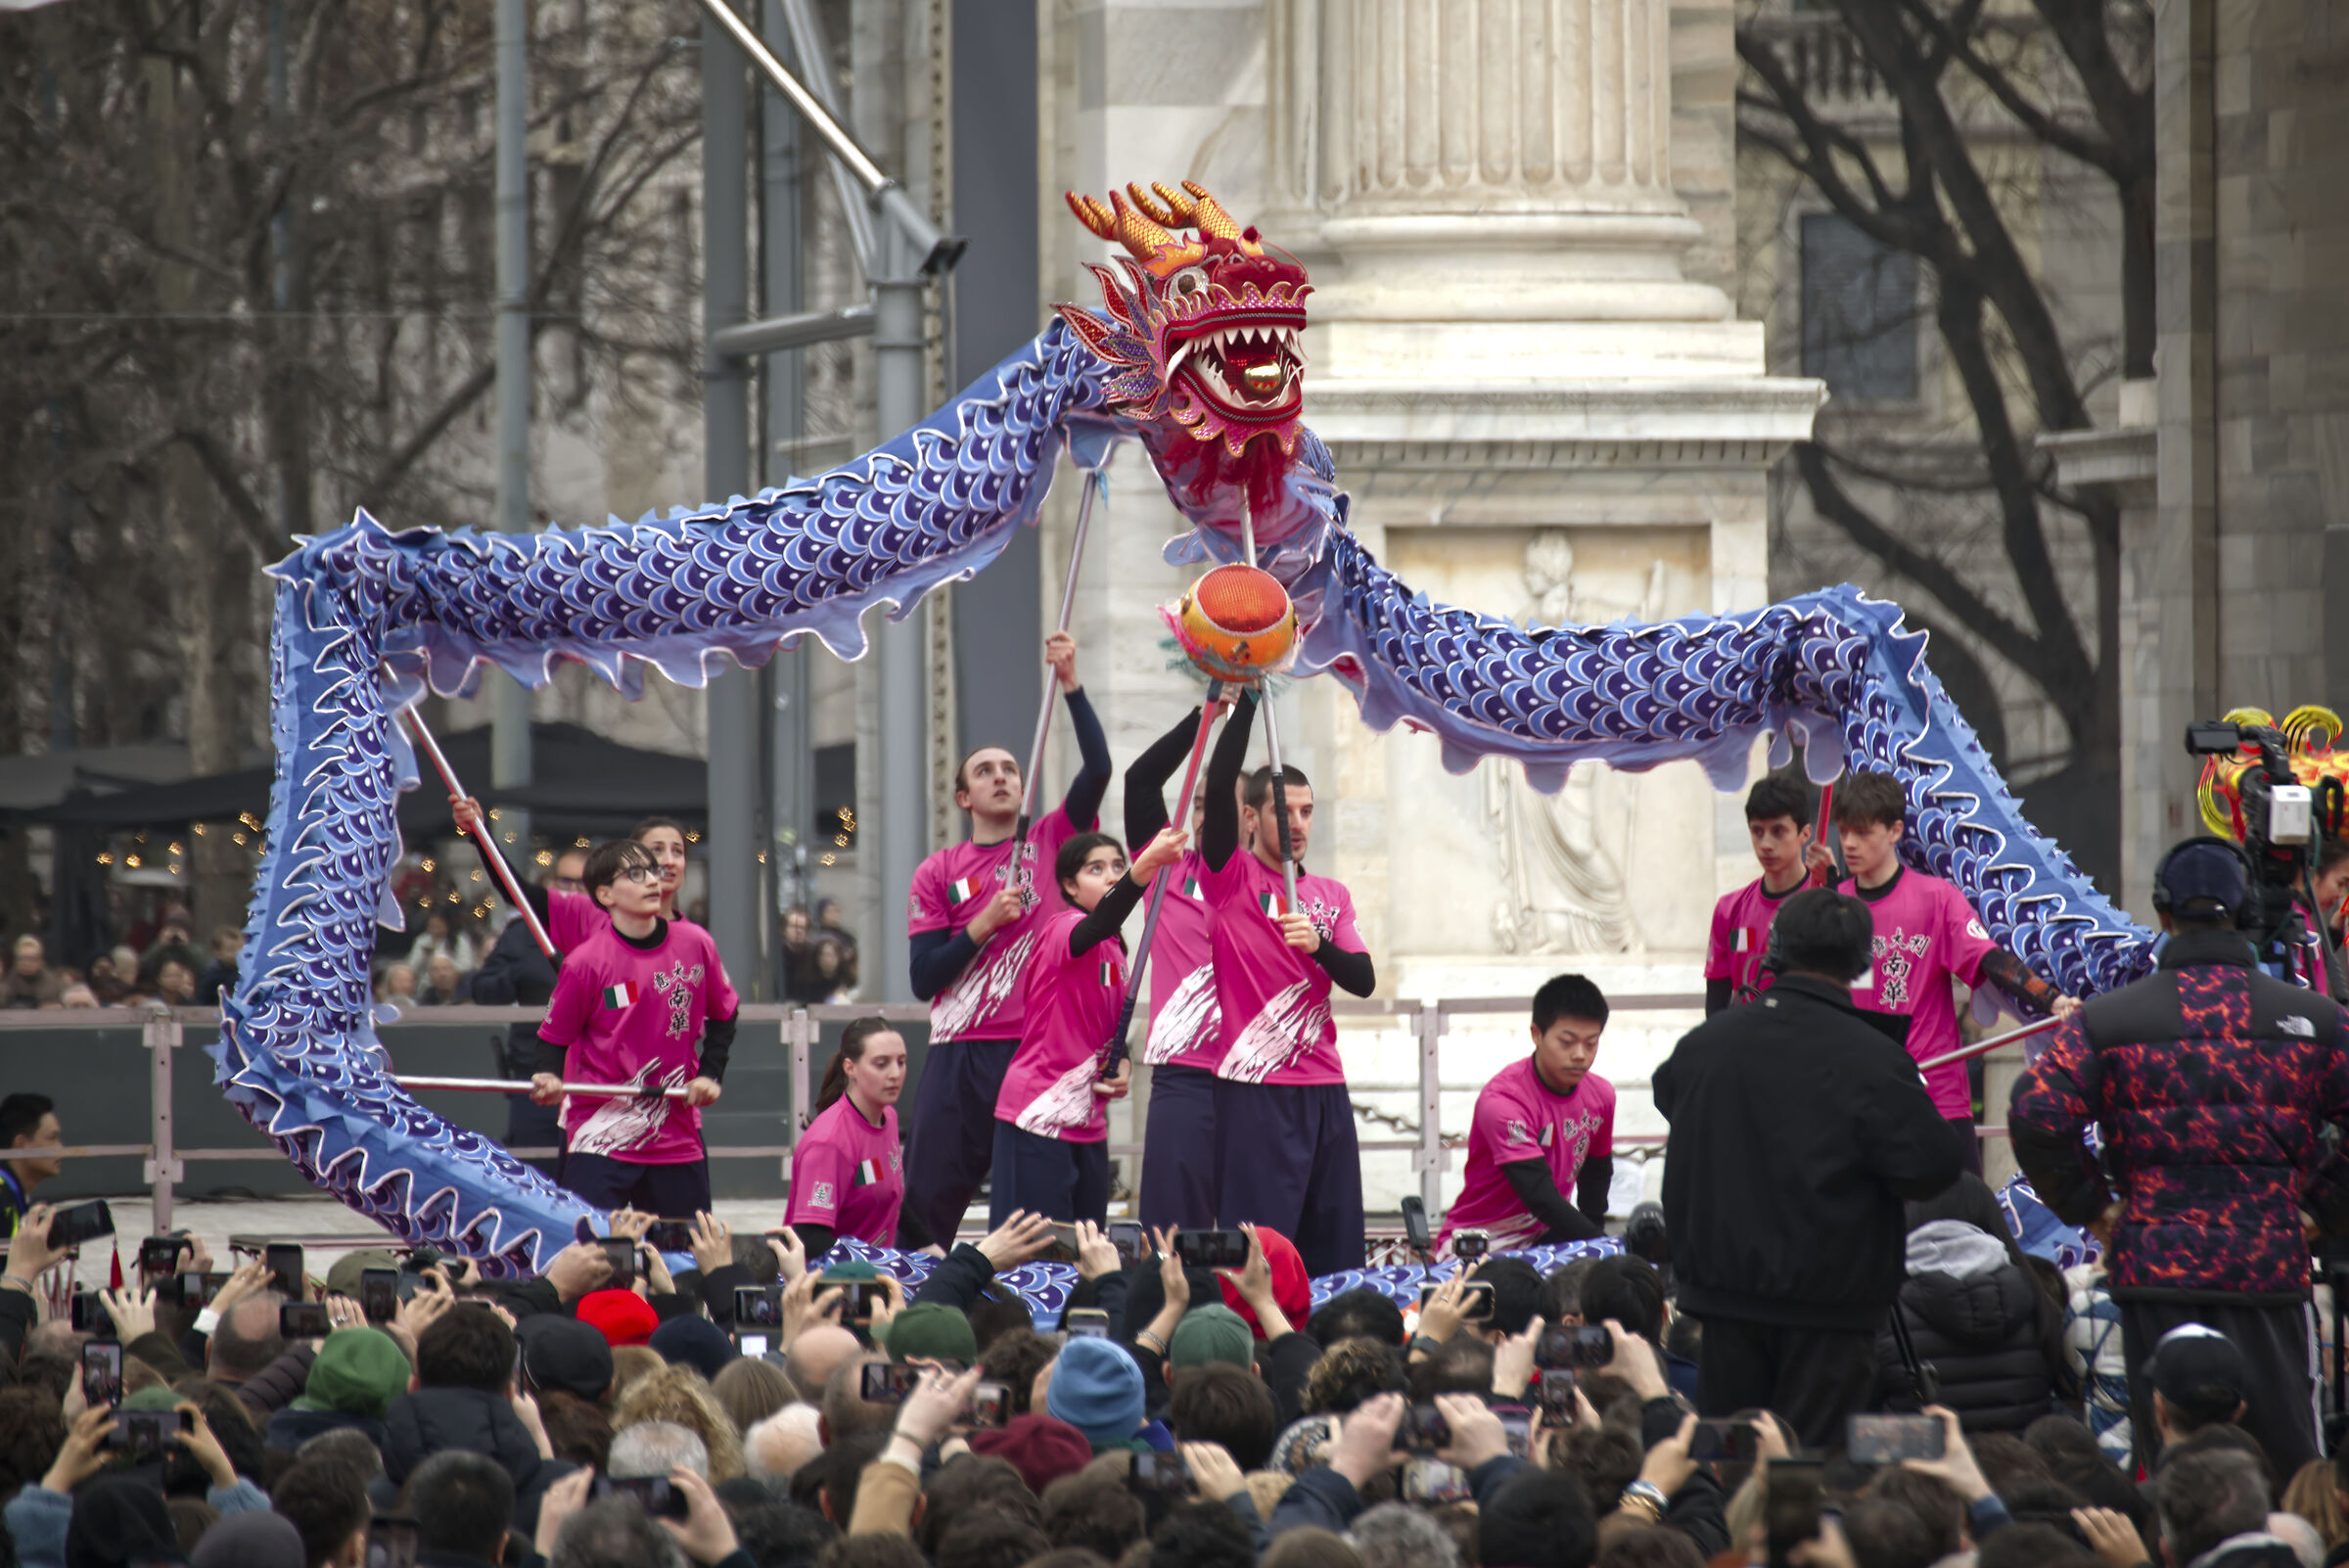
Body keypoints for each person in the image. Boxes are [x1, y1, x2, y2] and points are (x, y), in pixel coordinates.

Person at [2010, 836, 2349, 1476]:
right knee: (2286, 1470)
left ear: (2163, 915)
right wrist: (2319, 1210)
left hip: (2154, 1273)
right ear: (2245, 911)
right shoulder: (2314, 1019)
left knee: (2174, 1468)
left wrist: (2097, 1211)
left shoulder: (2107, 1022)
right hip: (2268, 1275)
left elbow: (2035, 1112)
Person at [1652, 886, 1964, 1446]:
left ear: (1775, 950)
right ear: (1861, 964)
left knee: (1733, 1462)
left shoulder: (1706, 1046)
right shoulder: (1875, 1059)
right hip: (1833, 1312)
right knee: (1816, 1467)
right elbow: (1935, 1165)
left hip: (1724, 1306)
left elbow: (1668, 1093)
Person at [903, 630, 1111, 1246]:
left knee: (1034, 1215)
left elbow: (1099, 768)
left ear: (1025, 787)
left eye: (1011, 770)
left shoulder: (1052, 840)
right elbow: (923, 978)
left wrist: (1070, 683)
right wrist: (982, 926)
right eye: (985, 772)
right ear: (963, 796)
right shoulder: (938, 870)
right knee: (924, 1210)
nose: (1001, 778)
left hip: (1036, 1051)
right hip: (959, 1052)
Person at [1200, 693, 1376, 1278]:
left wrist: (1319, 946)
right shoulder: (1229, 877)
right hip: (1254, 1087)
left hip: (1324, 1087)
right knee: (1260, 1250)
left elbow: (1363, 980)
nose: (1297, 823)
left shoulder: (1329, 894)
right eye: (1283, 810)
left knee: (1335, 1246)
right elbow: (1220, 780)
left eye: (1306, 811)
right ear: (1251, 817)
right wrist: (1252, 692)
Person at [1831, 769, 2079, 1171]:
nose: (1849, 844)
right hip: (1857, 1099)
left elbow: (1991, 960)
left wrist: (2052, 1000)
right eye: (1844, 832)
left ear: (1895, 831)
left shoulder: (1936, 899)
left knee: (1964, 1210)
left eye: (1862, 832)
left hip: (1935, 1098)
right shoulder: (1834, 908)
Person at [530, 838, 741, 1214]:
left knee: (685, 1245)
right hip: (599, 1132)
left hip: (674, 1131)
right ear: (605, 894)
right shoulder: (585, 963)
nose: (653, 881)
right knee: (588, 1242)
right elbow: (553, 1038)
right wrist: (547, 1075)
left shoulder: (696, 943)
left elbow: (725, 1014)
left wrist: (711, 1074)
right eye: (636, 874)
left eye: (653, 872)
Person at [990, 826, 1187, 1227]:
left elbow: (1113, 1033)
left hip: (1089, 1123)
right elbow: (1100, 922)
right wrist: (1146, 865)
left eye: (1118, 866)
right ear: (1070, 885)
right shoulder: (1064, 928)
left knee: (1088, 1249)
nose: (1112, 875)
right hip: (1038, 1115)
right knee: (1038, 1252)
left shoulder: (1116, 950)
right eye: (1096, 869)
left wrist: (1124, 1065)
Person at [1125, 702, 1231, 1232]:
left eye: (1223, 805)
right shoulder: (1168, 869)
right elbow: (1140, 781)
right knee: (1171, 1237)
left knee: (1246, 1239)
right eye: (1202, 804)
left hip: (1250, 1083)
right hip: (1183, 1078)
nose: (1208, 815)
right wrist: (1205, 716)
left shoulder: (1270, 887)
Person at [1871, 1174, 2071, 1432]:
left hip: (1923, 1456)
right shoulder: (2039, 1301)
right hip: (2019, 1456)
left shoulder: (1885, 1313)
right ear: (1993, 1220)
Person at [1435, 973, 1614, 1253]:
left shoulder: (1601, 1095)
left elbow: (1596, 1174)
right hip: (1482, 1239)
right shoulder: (1504, 1101)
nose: (1580, 1054)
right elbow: (1539, 1196)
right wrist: (1603, 1244)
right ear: (1536, 1034)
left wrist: (1598, 1248)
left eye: (1591, 1043)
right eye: (1567, 1042)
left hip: (1546, 1233)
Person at [474, 845, 588, 1178]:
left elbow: (630, 995)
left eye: (583, 883)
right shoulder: (523, 934)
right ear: (551, 884)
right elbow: (484, 991)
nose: (574, 890)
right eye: (566, 881)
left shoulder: (609, 933)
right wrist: (516, 974)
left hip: (594, 1082)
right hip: (536, 1080)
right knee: (536, 1181)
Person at [786, 1017, 911, 1254]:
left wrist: (930, 1245)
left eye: (901, 1062)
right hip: (829, 1273)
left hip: (876, 1267)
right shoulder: (828, 1143)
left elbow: (887, 1192)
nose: (895, 1073)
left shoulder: (889, 1118)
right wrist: (868, 1267)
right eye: (881, 1064)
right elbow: (808, 1237)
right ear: (850, 1068)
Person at [1703, 770, 1816, 1015]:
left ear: (1804, 834)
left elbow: (1857, 988)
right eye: (1757, 831)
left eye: (1778, 831)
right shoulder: (1729, 910)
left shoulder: (1826, 905)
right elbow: (1715, 1006)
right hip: (1745, 1035)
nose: (1765, 844)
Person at [0, 1092, 63, 1239]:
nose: (60, 1148)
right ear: (22, 1144)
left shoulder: (12, 1195)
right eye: (52, 1138)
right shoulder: (2, 1198)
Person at [406, 908, 480, 976]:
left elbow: (466, 965)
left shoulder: (459, 940)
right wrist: (423, 956)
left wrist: (444, 968)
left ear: (447, 925)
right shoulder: (422, 940)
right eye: (432, 926)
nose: (435, 930)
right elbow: (412, 967)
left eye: (438, 926)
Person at [0, 935, 64, 1009]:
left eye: (31, 959)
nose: (26, 963)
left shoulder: (54, 984)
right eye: (22, 958)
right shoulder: (6, 985)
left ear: (41, 961)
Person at [194, 926, 241, 1005]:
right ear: (217, 953)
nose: (238, 953)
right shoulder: (210, 977)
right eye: (231, 949)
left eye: (240, 948)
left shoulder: (245, 973)